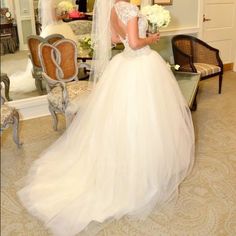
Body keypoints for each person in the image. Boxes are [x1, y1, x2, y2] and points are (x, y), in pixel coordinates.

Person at [18, 0, 195, 235]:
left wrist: (135, 34)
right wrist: (150, 39)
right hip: (141, 64)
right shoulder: (130, 9)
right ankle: (142, 170)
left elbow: (114, 40)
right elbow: (134, 43)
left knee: (121, 120)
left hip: (123, 65)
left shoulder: (112, 10)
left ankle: (123, 162)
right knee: (145, 119)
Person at [10, 0, 77, 93]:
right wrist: (64, 14)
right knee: (54, 50)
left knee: (65, 48)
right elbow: (54, 18)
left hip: (60, 26)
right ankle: (57, 70)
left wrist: (65, 12)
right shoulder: (50, 2)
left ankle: (66, 68)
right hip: (55, 27)